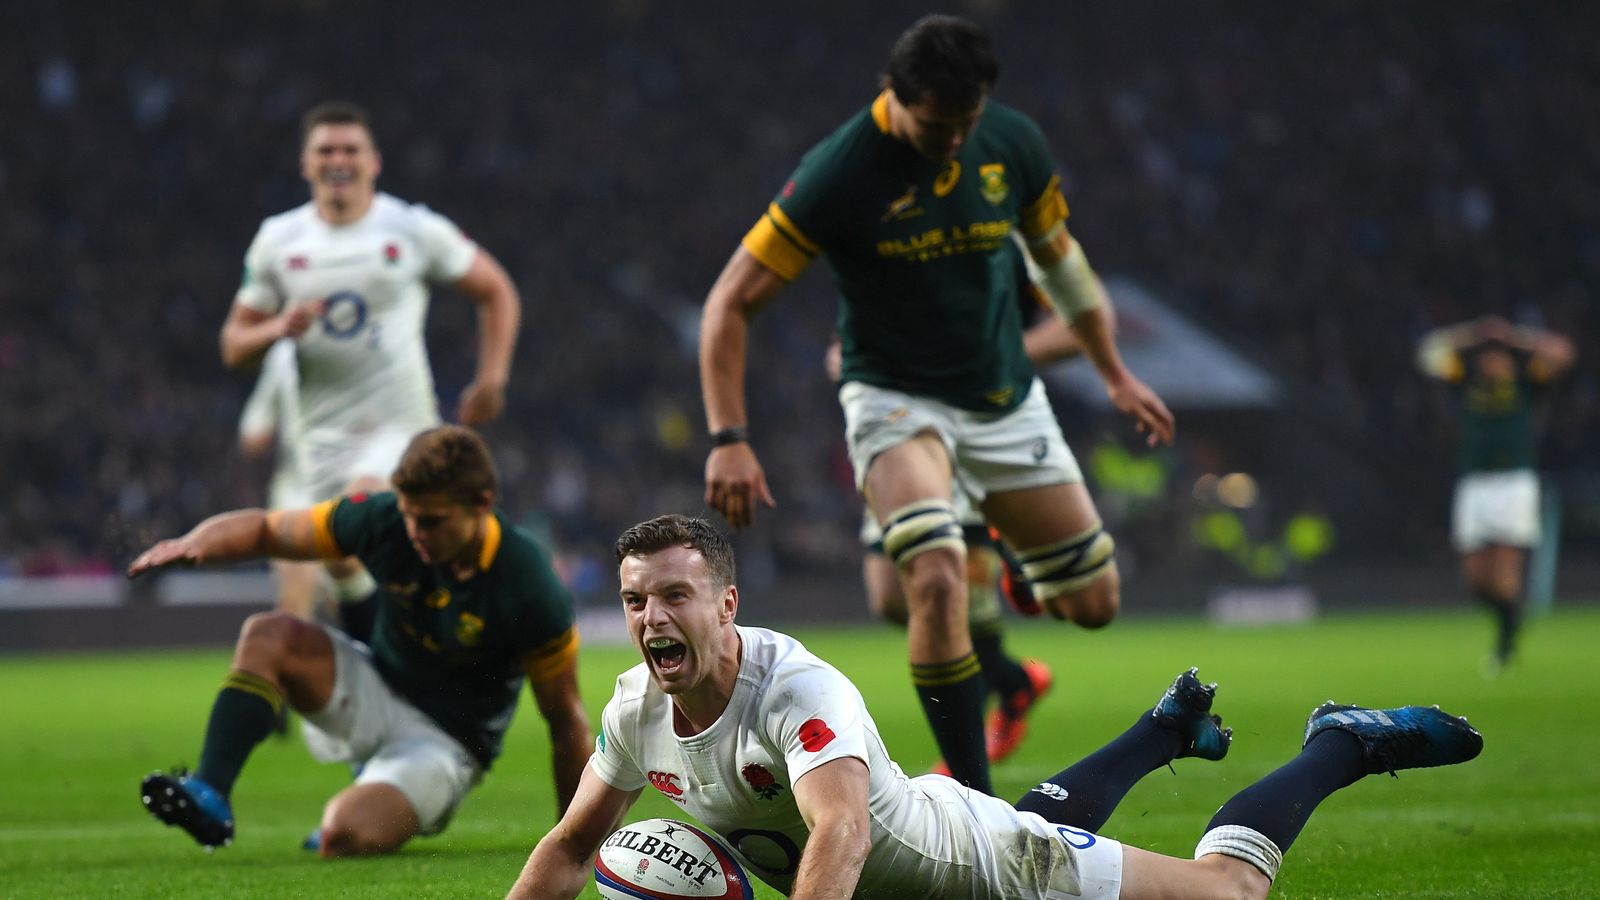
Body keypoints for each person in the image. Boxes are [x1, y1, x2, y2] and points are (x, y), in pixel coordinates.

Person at [508, 514, 1482, 900]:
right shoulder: (634, 707)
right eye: (634, 600)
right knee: (1024, 823)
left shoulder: (796, 688)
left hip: (981, 871)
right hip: (921, 861)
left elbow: (842, 832)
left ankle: (1338, 746)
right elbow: (569, 845)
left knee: (1225, 894)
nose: (650, 617)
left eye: (673, 596)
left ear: (726, 604)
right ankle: (1161, 732)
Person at [700, 15, 1172, 794]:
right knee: (933, 580)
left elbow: (1064, 267)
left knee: (1093, 603)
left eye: (966, 123)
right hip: (896, 400)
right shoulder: (840, 173)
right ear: (893, 93)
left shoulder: (1012, 143)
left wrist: (1114, 373)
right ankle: (978, 803)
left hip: (1002, 401)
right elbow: (729, 301)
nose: (952, 141)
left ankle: (1015, 580)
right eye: (935, 126)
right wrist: (729, 435)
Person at [129, 426, 590, 856]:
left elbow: (566, 722)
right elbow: (268, 530)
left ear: (482, 504)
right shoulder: (384, 520)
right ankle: (209, 791)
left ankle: (373, 791)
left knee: (343, 834)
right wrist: (196, 543)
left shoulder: (529, 582)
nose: (416, 533)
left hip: (448, 743)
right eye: (409, 516)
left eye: (432, 521)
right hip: (378, 686)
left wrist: (571, 841)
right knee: (269, 634)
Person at [219, 99, 523, 617]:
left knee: (363, 511)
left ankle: (440, 627)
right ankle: (380, 641)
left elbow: (496, 289)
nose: (338, 160)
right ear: (306, 163)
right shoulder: (278, 240)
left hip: (398, 428)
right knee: (342, 563)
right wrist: (276, 327)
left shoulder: (411, 228)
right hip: (320, 441)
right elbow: (234, 346)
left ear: (374, 161)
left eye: (350, 150)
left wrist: (492, 378)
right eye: (326, 151)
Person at [837, 240, 1088, 769]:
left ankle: (965, 766)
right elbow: (841, 347)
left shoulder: (1008, 239)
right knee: (890, 598)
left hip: (974, 426)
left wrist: (991, 357)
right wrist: (857, 363)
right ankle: (1012, 679)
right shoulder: (887, 242)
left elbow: (1078, 325)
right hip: (896, 427)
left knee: (943, 590)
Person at [1416, 314, 1576, 671]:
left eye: (1498, 356)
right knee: (1475, 579)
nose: (1492, 362)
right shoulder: (1465, 380)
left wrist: (1515, 336)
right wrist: (1474, 333)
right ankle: (1511, 621)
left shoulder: (1527, 381)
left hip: (1513, 483)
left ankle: (1506, 642)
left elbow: (1564, 352)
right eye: (1487, 356)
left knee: (1504, 576)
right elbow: (1427, 351)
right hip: (1474, 484)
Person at [237, 337, 323, 620]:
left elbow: (253, 435)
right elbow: (254, 435)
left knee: (296, 600)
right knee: (350, 597)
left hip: (300, 492)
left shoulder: (284, 353)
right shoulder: (283, 354)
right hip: (339, 489)